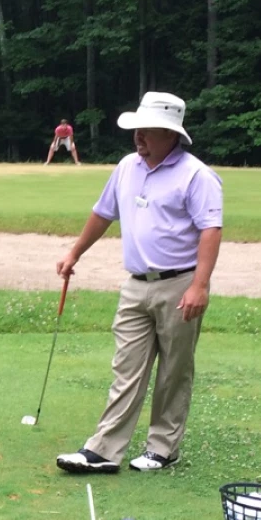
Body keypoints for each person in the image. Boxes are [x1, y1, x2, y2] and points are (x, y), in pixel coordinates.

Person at [54, 92, 222, 474]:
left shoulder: (197, 175)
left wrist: (200, 285)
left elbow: (211, 230)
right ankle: (103, 450)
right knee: (126, 367)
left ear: (171, 134)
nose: (138, 137)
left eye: (147, 131)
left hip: (179, 284)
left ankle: (163, 448)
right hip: (135, 284)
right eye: (137, 130)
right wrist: (74, 253)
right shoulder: (128, 166)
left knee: (174, 370)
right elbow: (102, 213)